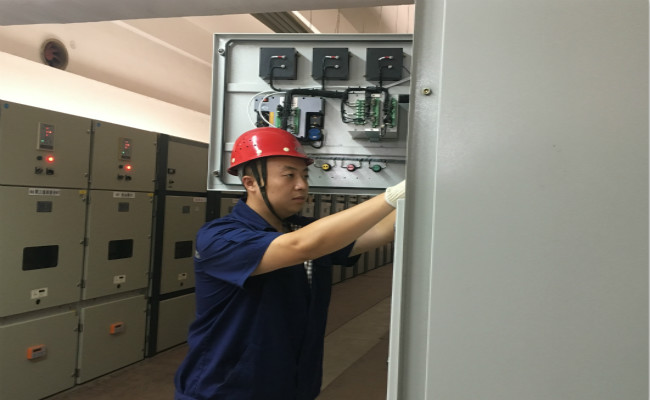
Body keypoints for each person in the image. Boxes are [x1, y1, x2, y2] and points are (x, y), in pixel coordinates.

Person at [174, 127, 406, 400]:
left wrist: (418, 186)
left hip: (292, 384)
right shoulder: (219, 237)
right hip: (226, 390)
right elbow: (301, 246)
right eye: (289, 175)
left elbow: (379, 231)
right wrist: (391, 196)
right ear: (250, 183)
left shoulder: (301, 229)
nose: (302, 185)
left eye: (304, 175)